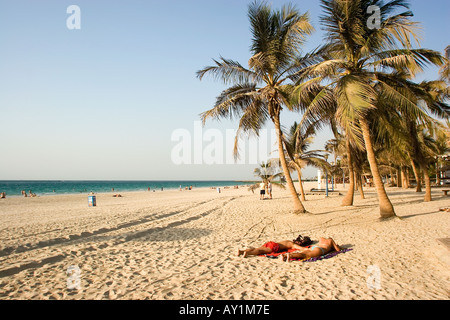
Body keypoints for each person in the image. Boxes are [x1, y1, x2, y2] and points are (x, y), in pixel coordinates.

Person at [237, 240, 305, 258]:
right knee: (261, 251)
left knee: (257, 248)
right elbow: (302, 249)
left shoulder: (289, 241)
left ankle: (241, 251)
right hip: (275, 246)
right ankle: (248, 253)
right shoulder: (293, 245)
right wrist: (308, 249)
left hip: (271, 243)